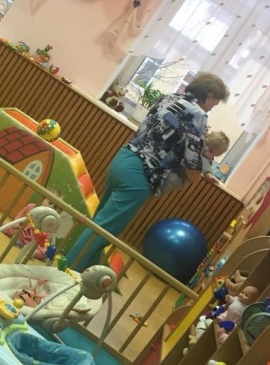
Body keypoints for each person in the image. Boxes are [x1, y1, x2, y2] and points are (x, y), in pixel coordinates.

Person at [67, 72, 230, 272]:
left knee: (98, 224)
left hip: (123, 159)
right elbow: (192, 165)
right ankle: (65, 274)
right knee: (102, 231)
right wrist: (199, 173)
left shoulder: (169, 98)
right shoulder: (198, 114)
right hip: (141, 175)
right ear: (209, 95)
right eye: (214, 103)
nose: (211, 108)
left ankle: (79, 273)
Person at [0, 188, 62, 260]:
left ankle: (33, 253)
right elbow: (21, 215)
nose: (51, 207)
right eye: (50, 203)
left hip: (34, 241)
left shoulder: (51, 221)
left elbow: (48, 235)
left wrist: (43, 242)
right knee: (10, 227)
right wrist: (17, 222)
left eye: (55, 207)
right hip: (21, 232)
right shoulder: (31, 207)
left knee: (46, 251)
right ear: (43, 198)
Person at [159, 130, 230, 193]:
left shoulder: (205, 159)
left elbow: (206, 167)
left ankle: (158, 190)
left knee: (171, 179)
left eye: (210, 151)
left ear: (215, 155)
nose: (206, 149)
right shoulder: (197, 144)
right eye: (206, 143)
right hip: (172, 166)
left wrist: (209, 175)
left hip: (179, 177)